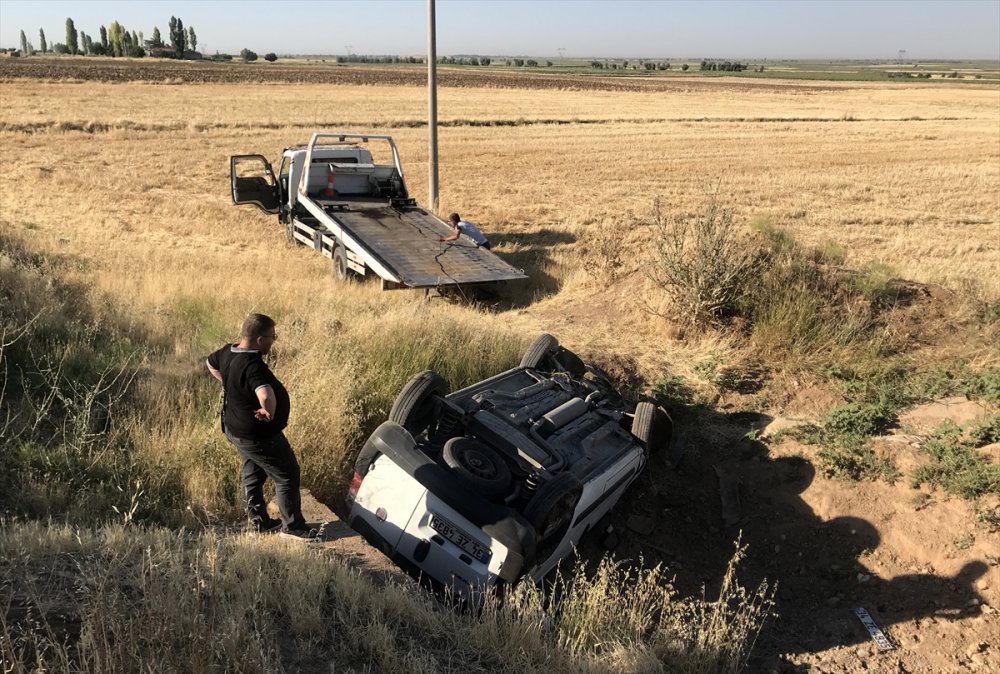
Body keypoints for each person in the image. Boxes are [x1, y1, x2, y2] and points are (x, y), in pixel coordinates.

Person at [206, 313, 316, 540]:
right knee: (287, 474)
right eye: (271, 337)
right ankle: (294, 528)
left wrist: (229, 384)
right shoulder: (253, 365)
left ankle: (259, 523)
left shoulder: (228, 351)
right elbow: (265, 394)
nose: (273, 341)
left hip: (235, 428)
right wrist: (268, 411)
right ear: (259, 339)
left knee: (253, 474)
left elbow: (210, 362)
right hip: (258, 434)